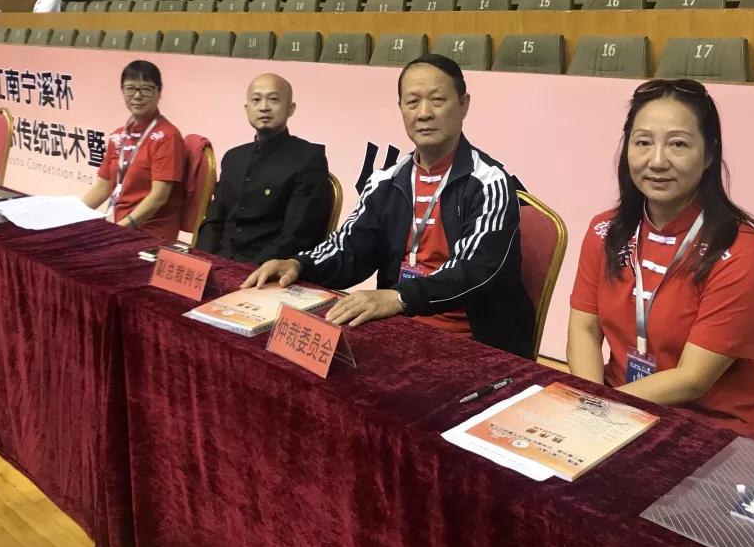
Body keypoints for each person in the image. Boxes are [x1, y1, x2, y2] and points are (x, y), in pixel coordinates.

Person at [243, 54, 534, 357]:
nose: (424, 113)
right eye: (412, 102)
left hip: (475, 345)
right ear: (401, 109)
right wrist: (298, 264)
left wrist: (398, 298)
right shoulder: (386, 181)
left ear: (463, 105)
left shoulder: (489, 182)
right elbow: (348, 247)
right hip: (397, 328)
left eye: (437, 100)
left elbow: (474, 270)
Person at [566, 79, 754, 441]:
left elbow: (692, 379)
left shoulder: (741, 253)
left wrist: (604, 409)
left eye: (678, 144)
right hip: (617, 408)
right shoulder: (605, 231)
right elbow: (584, 329)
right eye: (643, 142)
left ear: (709, 154)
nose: (657, 161)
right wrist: (591, 402)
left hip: (708, 429)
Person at [196, 74, 331, 263]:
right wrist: (200, 261)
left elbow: (299, 234)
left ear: (290, 108)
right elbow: (214, 220)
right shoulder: (233, 157)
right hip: (220, 261)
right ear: (247, 109)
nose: (264, 107)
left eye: (273, 99)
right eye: (256, 100)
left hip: (268, 268)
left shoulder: (308, 158)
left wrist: (251, 270)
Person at [82, 60, 188, 240]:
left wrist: (118, 230)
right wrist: (73, 215)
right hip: (120, 228)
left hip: (150, 234)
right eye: (130, 88)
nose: (137, 96)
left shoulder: (167, 136)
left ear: (159, 92)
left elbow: (159, 197)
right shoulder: (118, 135)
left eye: (146, 89)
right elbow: (103, 187)